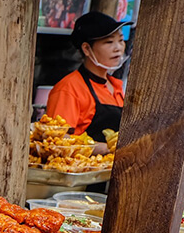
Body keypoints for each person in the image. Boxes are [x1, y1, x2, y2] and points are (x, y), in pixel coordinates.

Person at [46, 11, 128, 155]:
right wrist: (104, 149)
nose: (118, 48)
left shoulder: (116, 86)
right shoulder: (69, 88)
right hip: (83, 173)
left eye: (121, 40)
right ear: (86, 49)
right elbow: (56, 139)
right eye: (109, 42)